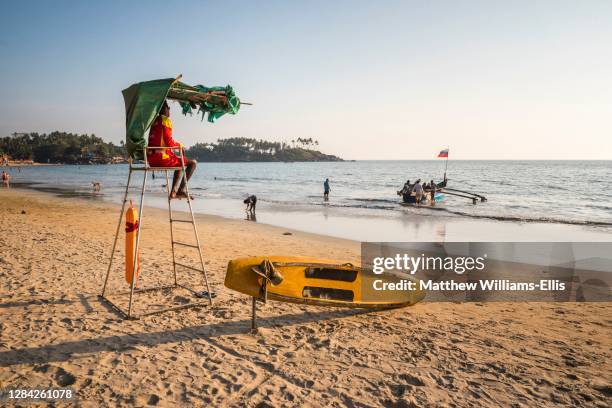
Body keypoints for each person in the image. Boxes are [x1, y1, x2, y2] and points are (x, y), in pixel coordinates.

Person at [147, 100, 197, 199]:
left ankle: (174, 191)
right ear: (164, 109)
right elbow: (169, 142)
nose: (169, 109)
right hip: (161, 158)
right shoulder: (165, 120)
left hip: (151, 160)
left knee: (180, 161)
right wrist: (180, 146)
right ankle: (181, 190)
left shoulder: (153, 121)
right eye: (168, 107)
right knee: (193, 163)